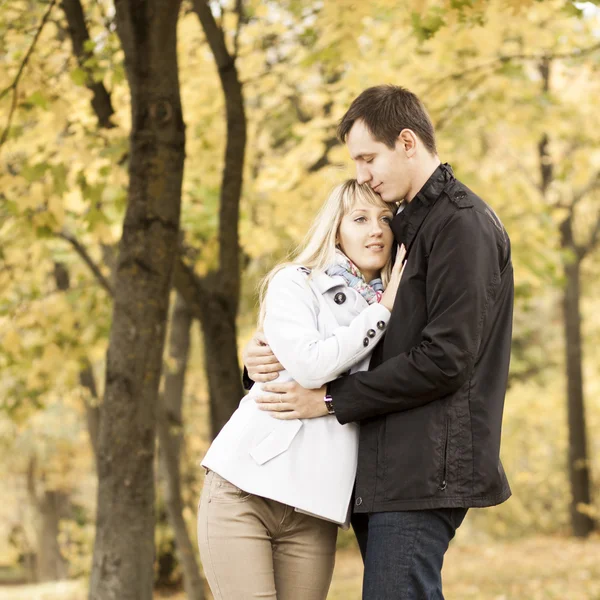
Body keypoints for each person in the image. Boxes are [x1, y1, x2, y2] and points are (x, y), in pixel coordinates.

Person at [246, 85, 514, 600]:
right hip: (385, 468)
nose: (362, 174)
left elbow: (446, 359)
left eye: (369, 157)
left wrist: (327, 400)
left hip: (423, 469)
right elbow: (342, 333)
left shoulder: (461, 225)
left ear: (408, 142)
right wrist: (265, 358)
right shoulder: (402, 229)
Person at [197, 179, 407, 600]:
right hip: (244, 491)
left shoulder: (407, 305)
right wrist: (382, 311)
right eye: (360, 219)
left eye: (386, 219)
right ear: (336, 229)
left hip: (315, 507)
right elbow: (310, 366)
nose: (377, 230)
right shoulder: (295, 282)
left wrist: (390, 307)